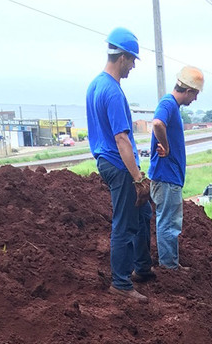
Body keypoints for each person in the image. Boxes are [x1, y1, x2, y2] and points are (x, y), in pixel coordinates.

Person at [86, 27, 153, 302]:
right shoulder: (112, 92)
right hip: (119, 164)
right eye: (133, 60)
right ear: (122, 57)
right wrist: (138, 178)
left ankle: (141, 268)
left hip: (107, 159)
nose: (133, 66)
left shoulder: (95, 85)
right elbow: (122, 139)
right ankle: (121, 284)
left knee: (144, 214)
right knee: (124, 224)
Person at [148, 66, 204, 270]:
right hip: (166, 177)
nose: (195, 99)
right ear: (188, 90)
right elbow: (156, 124)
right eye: (195, 94)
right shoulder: (168, 103)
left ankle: (171, 264)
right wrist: (167, 145)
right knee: (168, 224)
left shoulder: (172, 106)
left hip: (170, 177)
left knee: (170, 222)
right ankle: (169, 269)